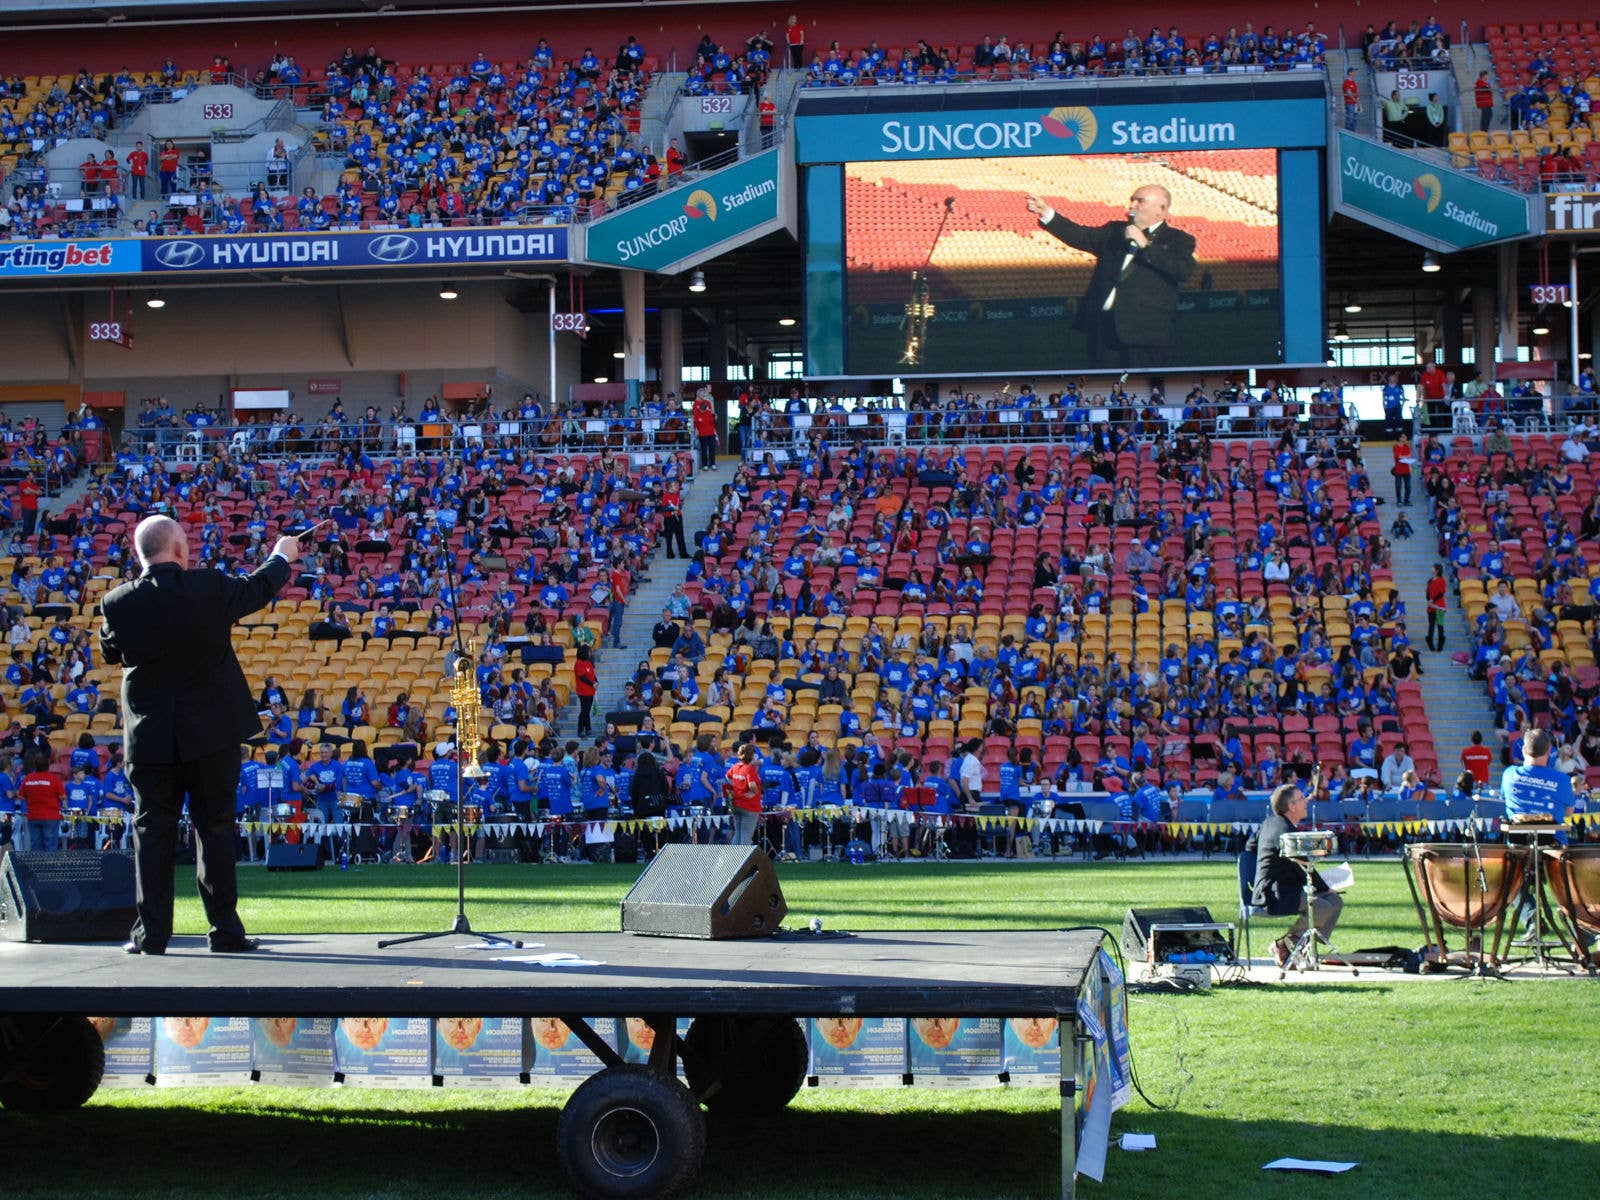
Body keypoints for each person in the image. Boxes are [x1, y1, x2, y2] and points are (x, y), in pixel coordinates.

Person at [99, 515, 298, 955]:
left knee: (151, 832)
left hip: (151, 738)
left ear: (140, 554)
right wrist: (282, 556)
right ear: (181, 550)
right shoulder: (207, 587)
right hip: (212, 735)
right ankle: (225, 931)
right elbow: (256, 588)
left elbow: (110, 650)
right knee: (216, 829)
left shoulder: (116, 602)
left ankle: (150, 935)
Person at [1025, 186, 1197, 368]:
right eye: (1132, 199)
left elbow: (1182, 270)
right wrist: (1047, 213)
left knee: (1144, 389)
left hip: (1146, 336)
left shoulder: (1179, 239)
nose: (1132, 204)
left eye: (1140, 201)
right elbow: (1080, 236)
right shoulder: (1114, 231)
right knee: (1103, 387)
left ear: (1161, 210)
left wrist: (1145, 246)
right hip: (1104, 329)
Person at [1245, 772, 1343, 968]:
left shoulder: (1270, 823)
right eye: (1301, 799)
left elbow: (1249, 848)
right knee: (1323, 905)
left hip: (1285, 889)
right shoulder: (1284, 831)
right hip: (1273, 893)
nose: (1306, 800)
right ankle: (1286, 943)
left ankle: (1299, 945)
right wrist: (1323, 887)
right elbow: (1301, 864)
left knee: (1335, 901)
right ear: (1291, 806)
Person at [724, 740, 763, 848]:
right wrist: (753, 792)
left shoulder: (736, 766)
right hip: (749, 806)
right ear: (751, 756)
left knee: (738, 834)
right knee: (746, 836)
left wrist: (735, 785)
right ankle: (743, 862)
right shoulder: (749, 769)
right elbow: (752, 784)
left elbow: (727, 776)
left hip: (737, 803)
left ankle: (733, 860)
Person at [573, 645, 596, 736]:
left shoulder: (589, 662)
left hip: (590, 690)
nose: (590, 653)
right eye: (589, 651)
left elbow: (593, 675)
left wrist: (596, 682)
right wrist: (592, 684)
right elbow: (582, 677)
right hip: (583, 691)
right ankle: (580, 729)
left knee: (587, 710)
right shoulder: (579, 663)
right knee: (585, 710)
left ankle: (588, 728)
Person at [1425, 562, 1447, 651]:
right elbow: (1427, 592)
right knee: (1431, 625)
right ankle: (1430, 643)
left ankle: (1440, 645)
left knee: (1440, 626)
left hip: (1439, 606)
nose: (1431, 569)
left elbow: (1441, 593)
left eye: (1433, 567)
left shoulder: (1442, 580)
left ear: (1437, 570)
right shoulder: (1430, 580)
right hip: (1431, 607)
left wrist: (1432, 600)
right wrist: (1428, 600)